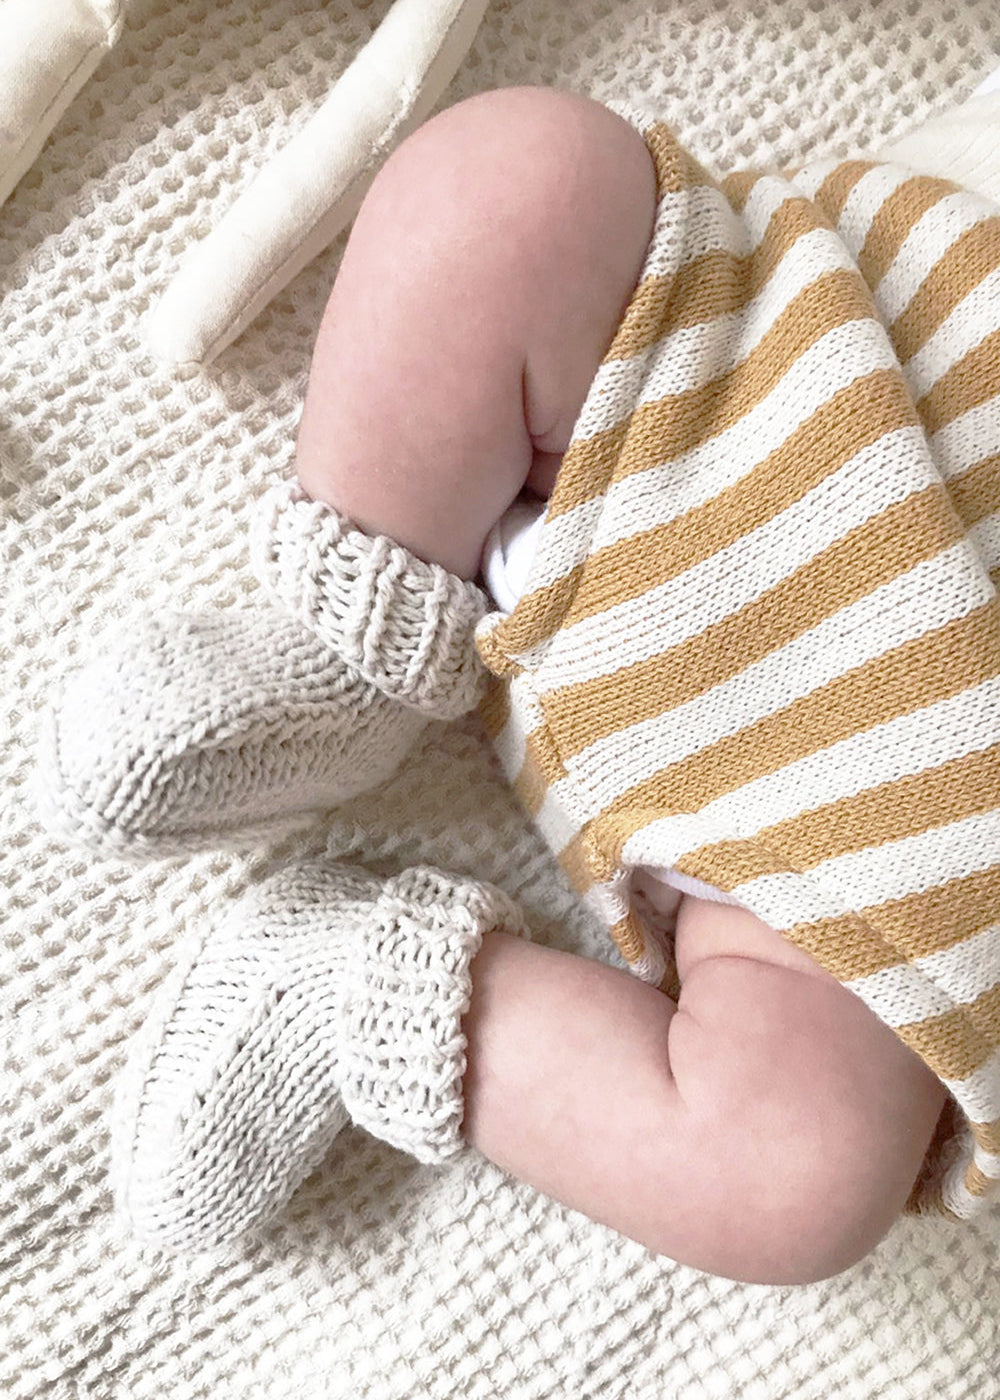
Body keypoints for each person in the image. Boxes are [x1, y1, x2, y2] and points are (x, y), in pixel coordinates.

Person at [55, 86, 1000, 1283]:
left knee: (794, 1178)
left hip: (887, 829)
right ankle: (353, 657)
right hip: (747, 383)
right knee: (517, 186)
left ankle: (354, 984)